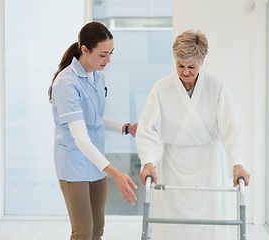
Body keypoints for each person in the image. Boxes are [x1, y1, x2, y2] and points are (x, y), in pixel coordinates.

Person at [136, 30, 250, 240]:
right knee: (172, 223)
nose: (185, 72)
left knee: (206, 221)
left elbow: (231, 129)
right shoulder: (161, 89)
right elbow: (148, 130)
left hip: (205, 164)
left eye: (191, 67)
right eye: (180, 66)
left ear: (202, 60)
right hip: (171, 164)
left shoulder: (216, 88)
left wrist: (237, 163)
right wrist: (148, 161)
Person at [48, 22, 138, 240]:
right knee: (83, 230)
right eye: (103, 54)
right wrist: (115, 173)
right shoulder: (66, 83)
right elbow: (80, 137)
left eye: (111, 54)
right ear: (85, 50)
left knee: (97, 229)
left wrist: (126, 128)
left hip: (96, 160)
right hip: (74, 164)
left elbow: (93, 119)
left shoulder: (98, 76)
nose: (107, 60)